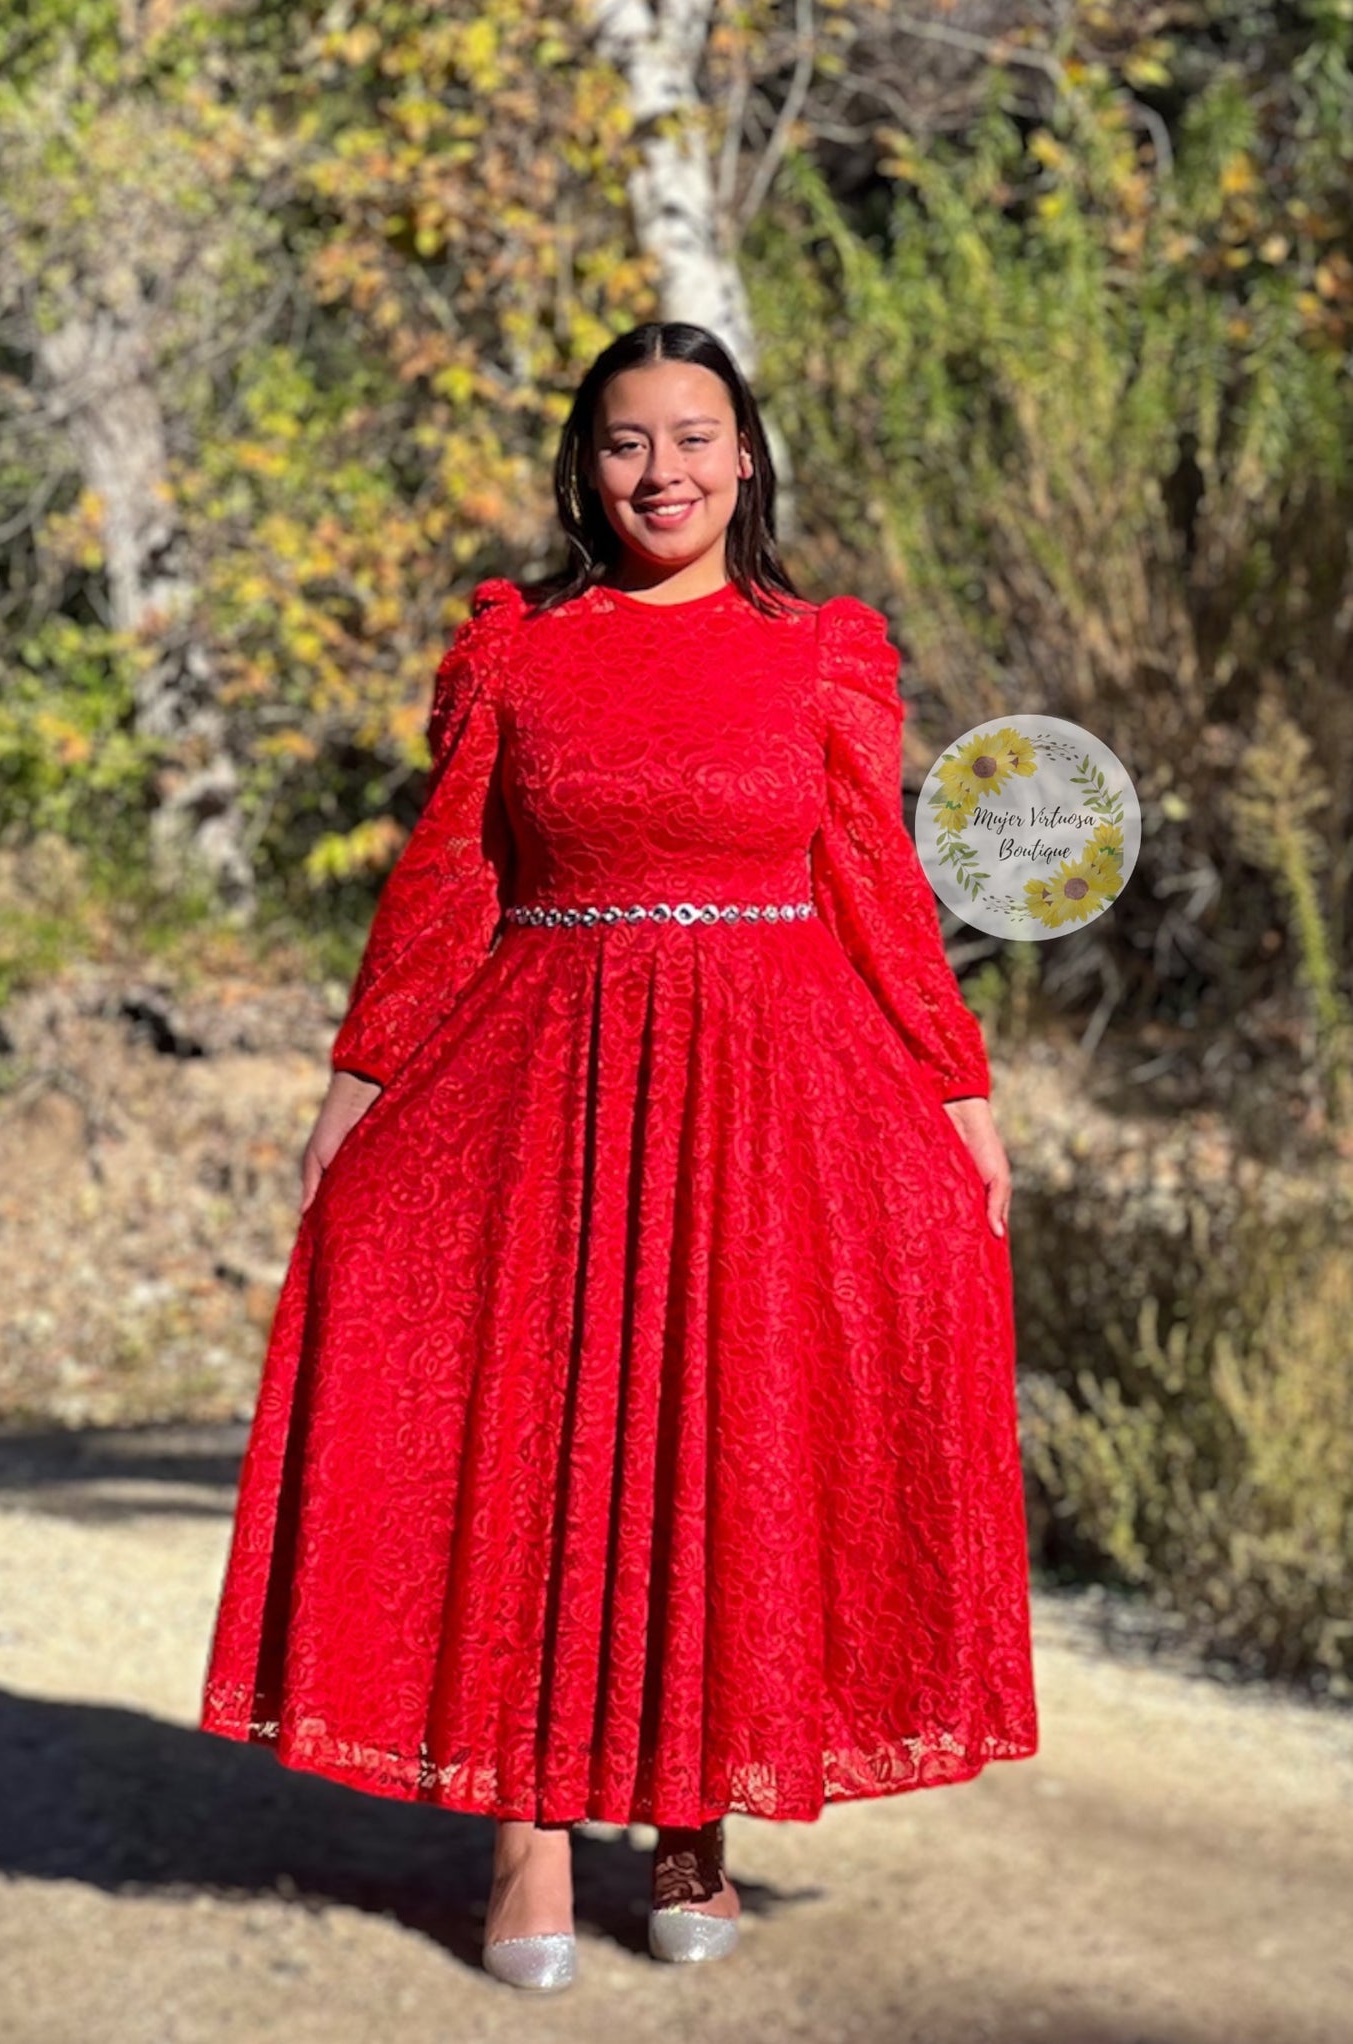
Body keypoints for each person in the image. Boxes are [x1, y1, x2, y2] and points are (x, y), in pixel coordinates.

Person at [198, 320, 1039, 1994]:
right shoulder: (519, 649)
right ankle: (523, 1834)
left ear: (746, 458)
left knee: (720, 1439)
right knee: (543, 1437)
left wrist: (958, 1095)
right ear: (584, 469)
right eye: (625, 441)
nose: (662, 472)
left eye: (694, 436)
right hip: (544, 1080)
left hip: (770, 1091)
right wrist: (356, 1088)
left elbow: (873, 887)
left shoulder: (823, 653)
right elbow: (448, 887)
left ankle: (691, 1821)